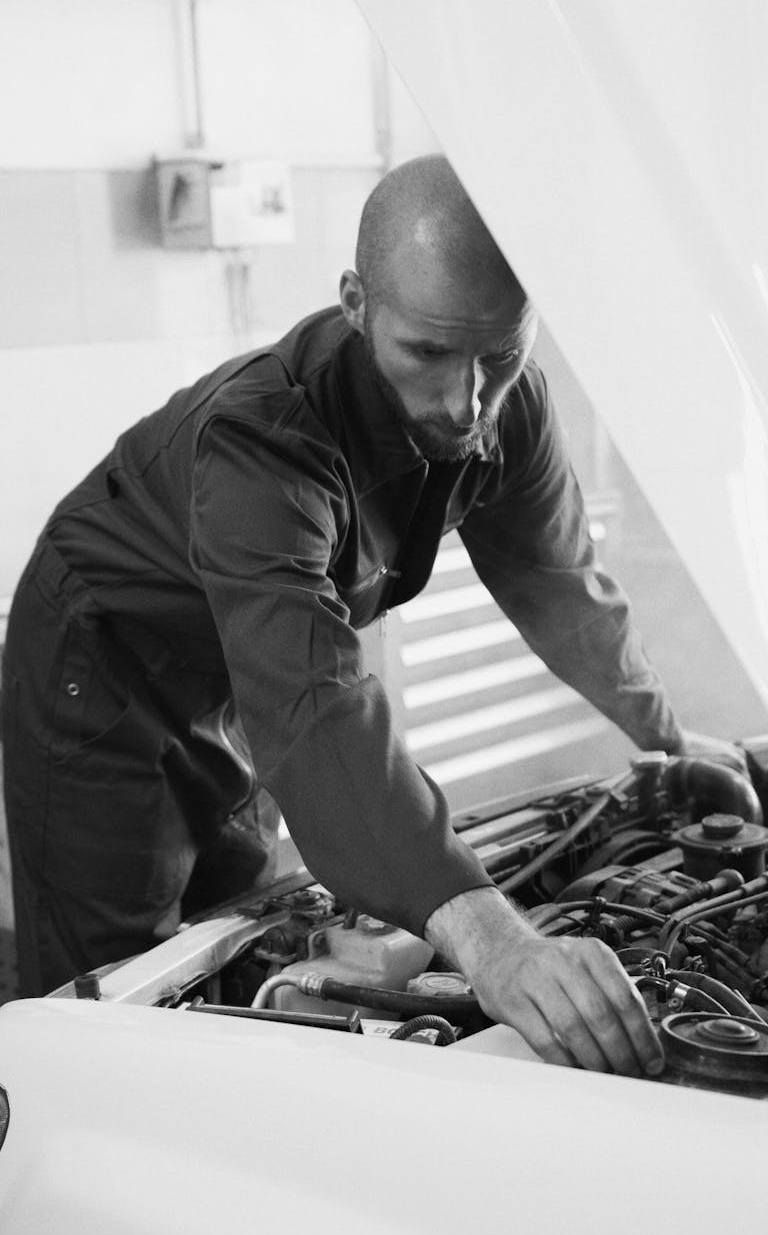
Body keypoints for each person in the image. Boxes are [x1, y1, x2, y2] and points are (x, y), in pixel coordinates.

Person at [1, 155, 741, 1074]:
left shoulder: (506, 399)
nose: (466, 400)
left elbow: (561, 586)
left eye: (498, 355)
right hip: (106, 658)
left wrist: (668, 735)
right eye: (427, 352)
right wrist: (492, 938)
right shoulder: (264, 440)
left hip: (242, 673)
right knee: (116, 989)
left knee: (237, 939)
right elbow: (318, 709)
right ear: (357, 302)